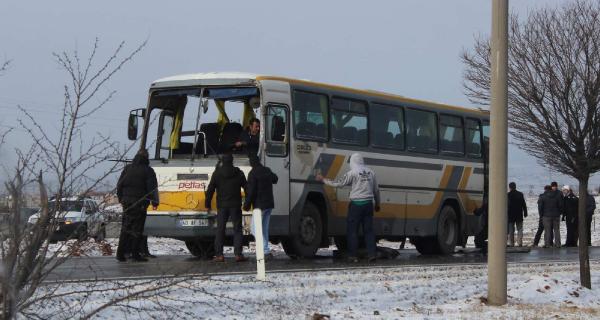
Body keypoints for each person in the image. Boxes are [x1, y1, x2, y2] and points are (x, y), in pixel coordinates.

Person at [316, 153, 380, 262]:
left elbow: (339, 183)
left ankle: (353, 255)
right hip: (369, 204)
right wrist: (378, 204)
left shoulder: (352, 173)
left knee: (352, 231)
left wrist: (323, 180)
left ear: (353, 162)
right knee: (368, 231)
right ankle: (372, 254)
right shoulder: (371, 172)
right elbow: (376, 190)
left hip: (356, 205)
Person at [116, 149, 159, 262]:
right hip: (140, 203)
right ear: (147, 158)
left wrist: (121, 199)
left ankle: (120, 254)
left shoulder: (127, 168)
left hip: (126, 203)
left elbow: (119, 185)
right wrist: (155, 202)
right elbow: (152, 189)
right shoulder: (148, 171)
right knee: (137, 229)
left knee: (125, 227)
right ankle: (135, 254)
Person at [205, 154, 248, 262]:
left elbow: (210, 189)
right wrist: (248, 202)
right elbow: (247, 187)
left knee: (220, 229)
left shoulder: (217, 173)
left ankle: (219, 255)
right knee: (237, 229)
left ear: (222, 161)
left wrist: (207, 204)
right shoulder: (238, 173)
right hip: (235, 205)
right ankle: (238, 254)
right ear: (232, 161)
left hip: (222, 206)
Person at [243, 155, 278, 260]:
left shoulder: (252, 173)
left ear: (251, 163)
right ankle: (265, 249)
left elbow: (251, 191)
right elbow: (275, 179)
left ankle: (265, 251)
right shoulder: (267, 170)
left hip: (259, 206)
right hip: (269, 205)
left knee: (254, 229)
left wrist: (246, 205)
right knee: (264, 229)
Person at [540, 182, 563, 248]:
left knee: (547, 230)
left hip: (546, 216)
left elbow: (540, 207)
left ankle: (547, 244)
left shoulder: (543, 196)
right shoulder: (557, 196)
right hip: (556, 215)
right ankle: (558, 244)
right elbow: (560, 205)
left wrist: (541, 215)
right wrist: (559, 212)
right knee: (556, 230)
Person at [507, 182, 528, 247]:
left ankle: (511, 243)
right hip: (519, 214)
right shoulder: (520, 194)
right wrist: (525, 212)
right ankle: (519, 243)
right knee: (520, 229)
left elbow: (505, 205)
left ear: (509, 187)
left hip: (510, 215)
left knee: (511, 230)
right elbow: (523, 204)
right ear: (515, 187)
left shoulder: (507, 195)